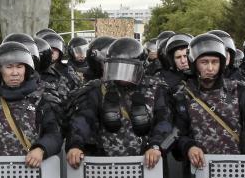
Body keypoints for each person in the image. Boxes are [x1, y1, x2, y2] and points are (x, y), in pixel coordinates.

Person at [173, 34, 245, 169]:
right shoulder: (183, 95)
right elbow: (179, 133)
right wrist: (189, 147)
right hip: (198, 169)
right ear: (194, 64)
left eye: (215, 62)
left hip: (235, 167)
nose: (210, 68)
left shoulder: (239, 90)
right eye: (204, 62)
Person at [66, 37, 172, 169]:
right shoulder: (99, 89)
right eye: (117, 67)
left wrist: (156, 146)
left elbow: (165, 121)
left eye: (127, 69)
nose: (122, 75)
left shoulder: (156, 88)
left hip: (149, 163)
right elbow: (83, 119)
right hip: (106, 164)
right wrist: (75, 145)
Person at [0, 41, 62, 169]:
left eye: (19, 67)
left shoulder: (41, 100)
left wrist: (41, 149)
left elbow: (54, 135)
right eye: (9, 67)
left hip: (32, 174)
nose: (15, 73)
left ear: (26, 69)